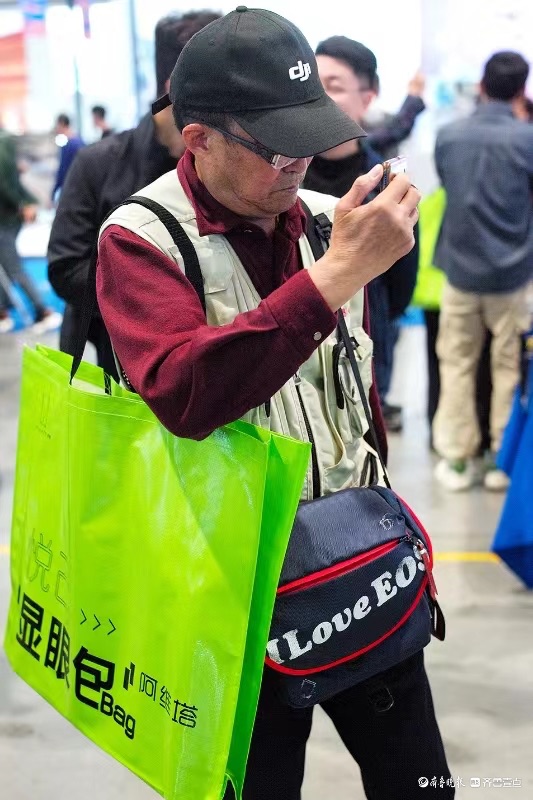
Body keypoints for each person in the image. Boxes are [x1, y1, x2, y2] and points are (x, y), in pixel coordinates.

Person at [96, 9, 451, 799]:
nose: (299, 162)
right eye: (274, 144)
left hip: (359, 565)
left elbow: (352, 392)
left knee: (421, 784)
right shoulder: (143, 238)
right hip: (233, 598)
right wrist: (329, 282)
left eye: (309, 135)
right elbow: (186, 394)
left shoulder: (333, 224)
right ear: (199, 140)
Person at [47, 11, 221, 375]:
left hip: (215, 369)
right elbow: (66, 267)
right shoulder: (98, 164)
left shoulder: (231, 162)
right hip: (114, 368)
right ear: (180, 84)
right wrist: (158, 304)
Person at [304, 36, 420, 432]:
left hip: (366, 342)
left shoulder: (386, 183)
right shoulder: (282, 179)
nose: (317, 97)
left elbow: (403, 276)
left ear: (367, 98)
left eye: (333, 86)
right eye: (310, 83)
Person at [433, 51, 533, 492]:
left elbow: (450, 187)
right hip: (514, 272)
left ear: (483, 85)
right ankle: (500, 458)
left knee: (456, 362)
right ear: (521, 90)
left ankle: (457, 459)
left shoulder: (449, 136)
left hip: (460, 269)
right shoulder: (527, 139)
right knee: (509, 364)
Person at [0, 126, 61, 333]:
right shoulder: (6, 143)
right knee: (5, 267)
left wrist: (23, 204)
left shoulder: (3, 144)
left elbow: (6, 185)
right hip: (8, 216)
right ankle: (3, 313)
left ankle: (43, 310)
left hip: (5, 218)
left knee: (12, 267)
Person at [51, 113, 85, 203]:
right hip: (82, 187)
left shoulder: (68, 144)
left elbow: (63, 170)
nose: (56, 128)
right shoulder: (80, 141)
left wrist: (54, 191)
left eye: (57, 125)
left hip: (71, 188)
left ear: (62, 123)